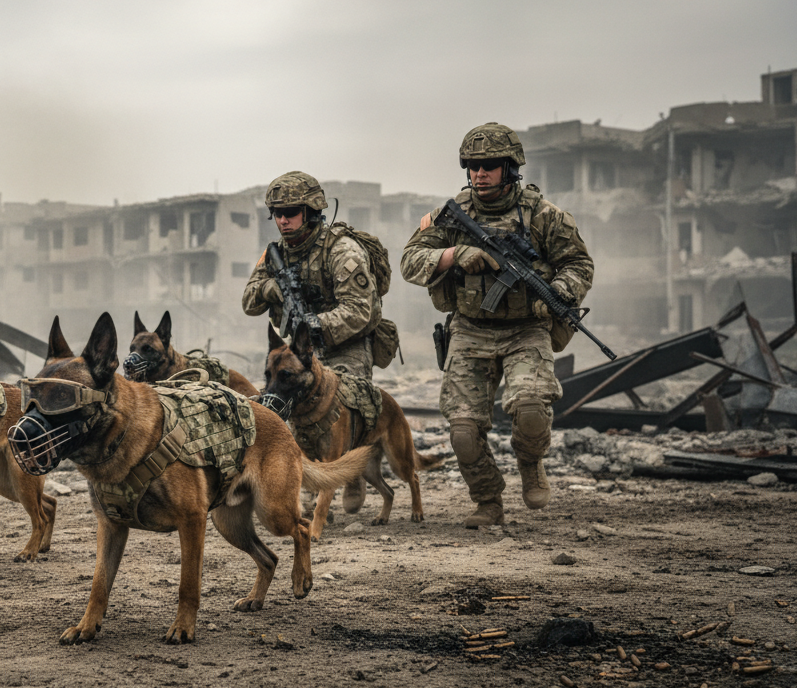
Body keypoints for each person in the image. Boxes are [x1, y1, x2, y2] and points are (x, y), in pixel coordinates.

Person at [400, 123, 594, 528]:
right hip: (470, 328)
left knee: (530, 411)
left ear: (510, 168)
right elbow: (410, 261)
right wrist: (455, 254)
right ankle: (488, 501)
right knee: (464, 432)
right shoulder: (451, 216)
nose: (479, 174)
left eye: (489, 166)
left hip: (527, 330)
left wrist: (556, 291)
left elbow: (579, 264)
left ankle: (530, 464)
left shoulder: (543, 215)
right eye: (472, 166)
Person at [243, 170, 385, 513]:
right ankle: (307, 485)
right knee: (293, 409)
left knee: (346, 407)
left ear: (310, 212)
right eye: (276, 214)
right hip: (302, 349)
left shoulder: (342, 250)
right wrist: (270, 288)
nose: (282, 220)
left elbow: (361, 310)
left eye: (290, 212)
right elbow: (249, 301)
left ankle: (351, 473)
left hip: (344, 343)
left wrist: (314, 325)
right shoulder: (276, 254)